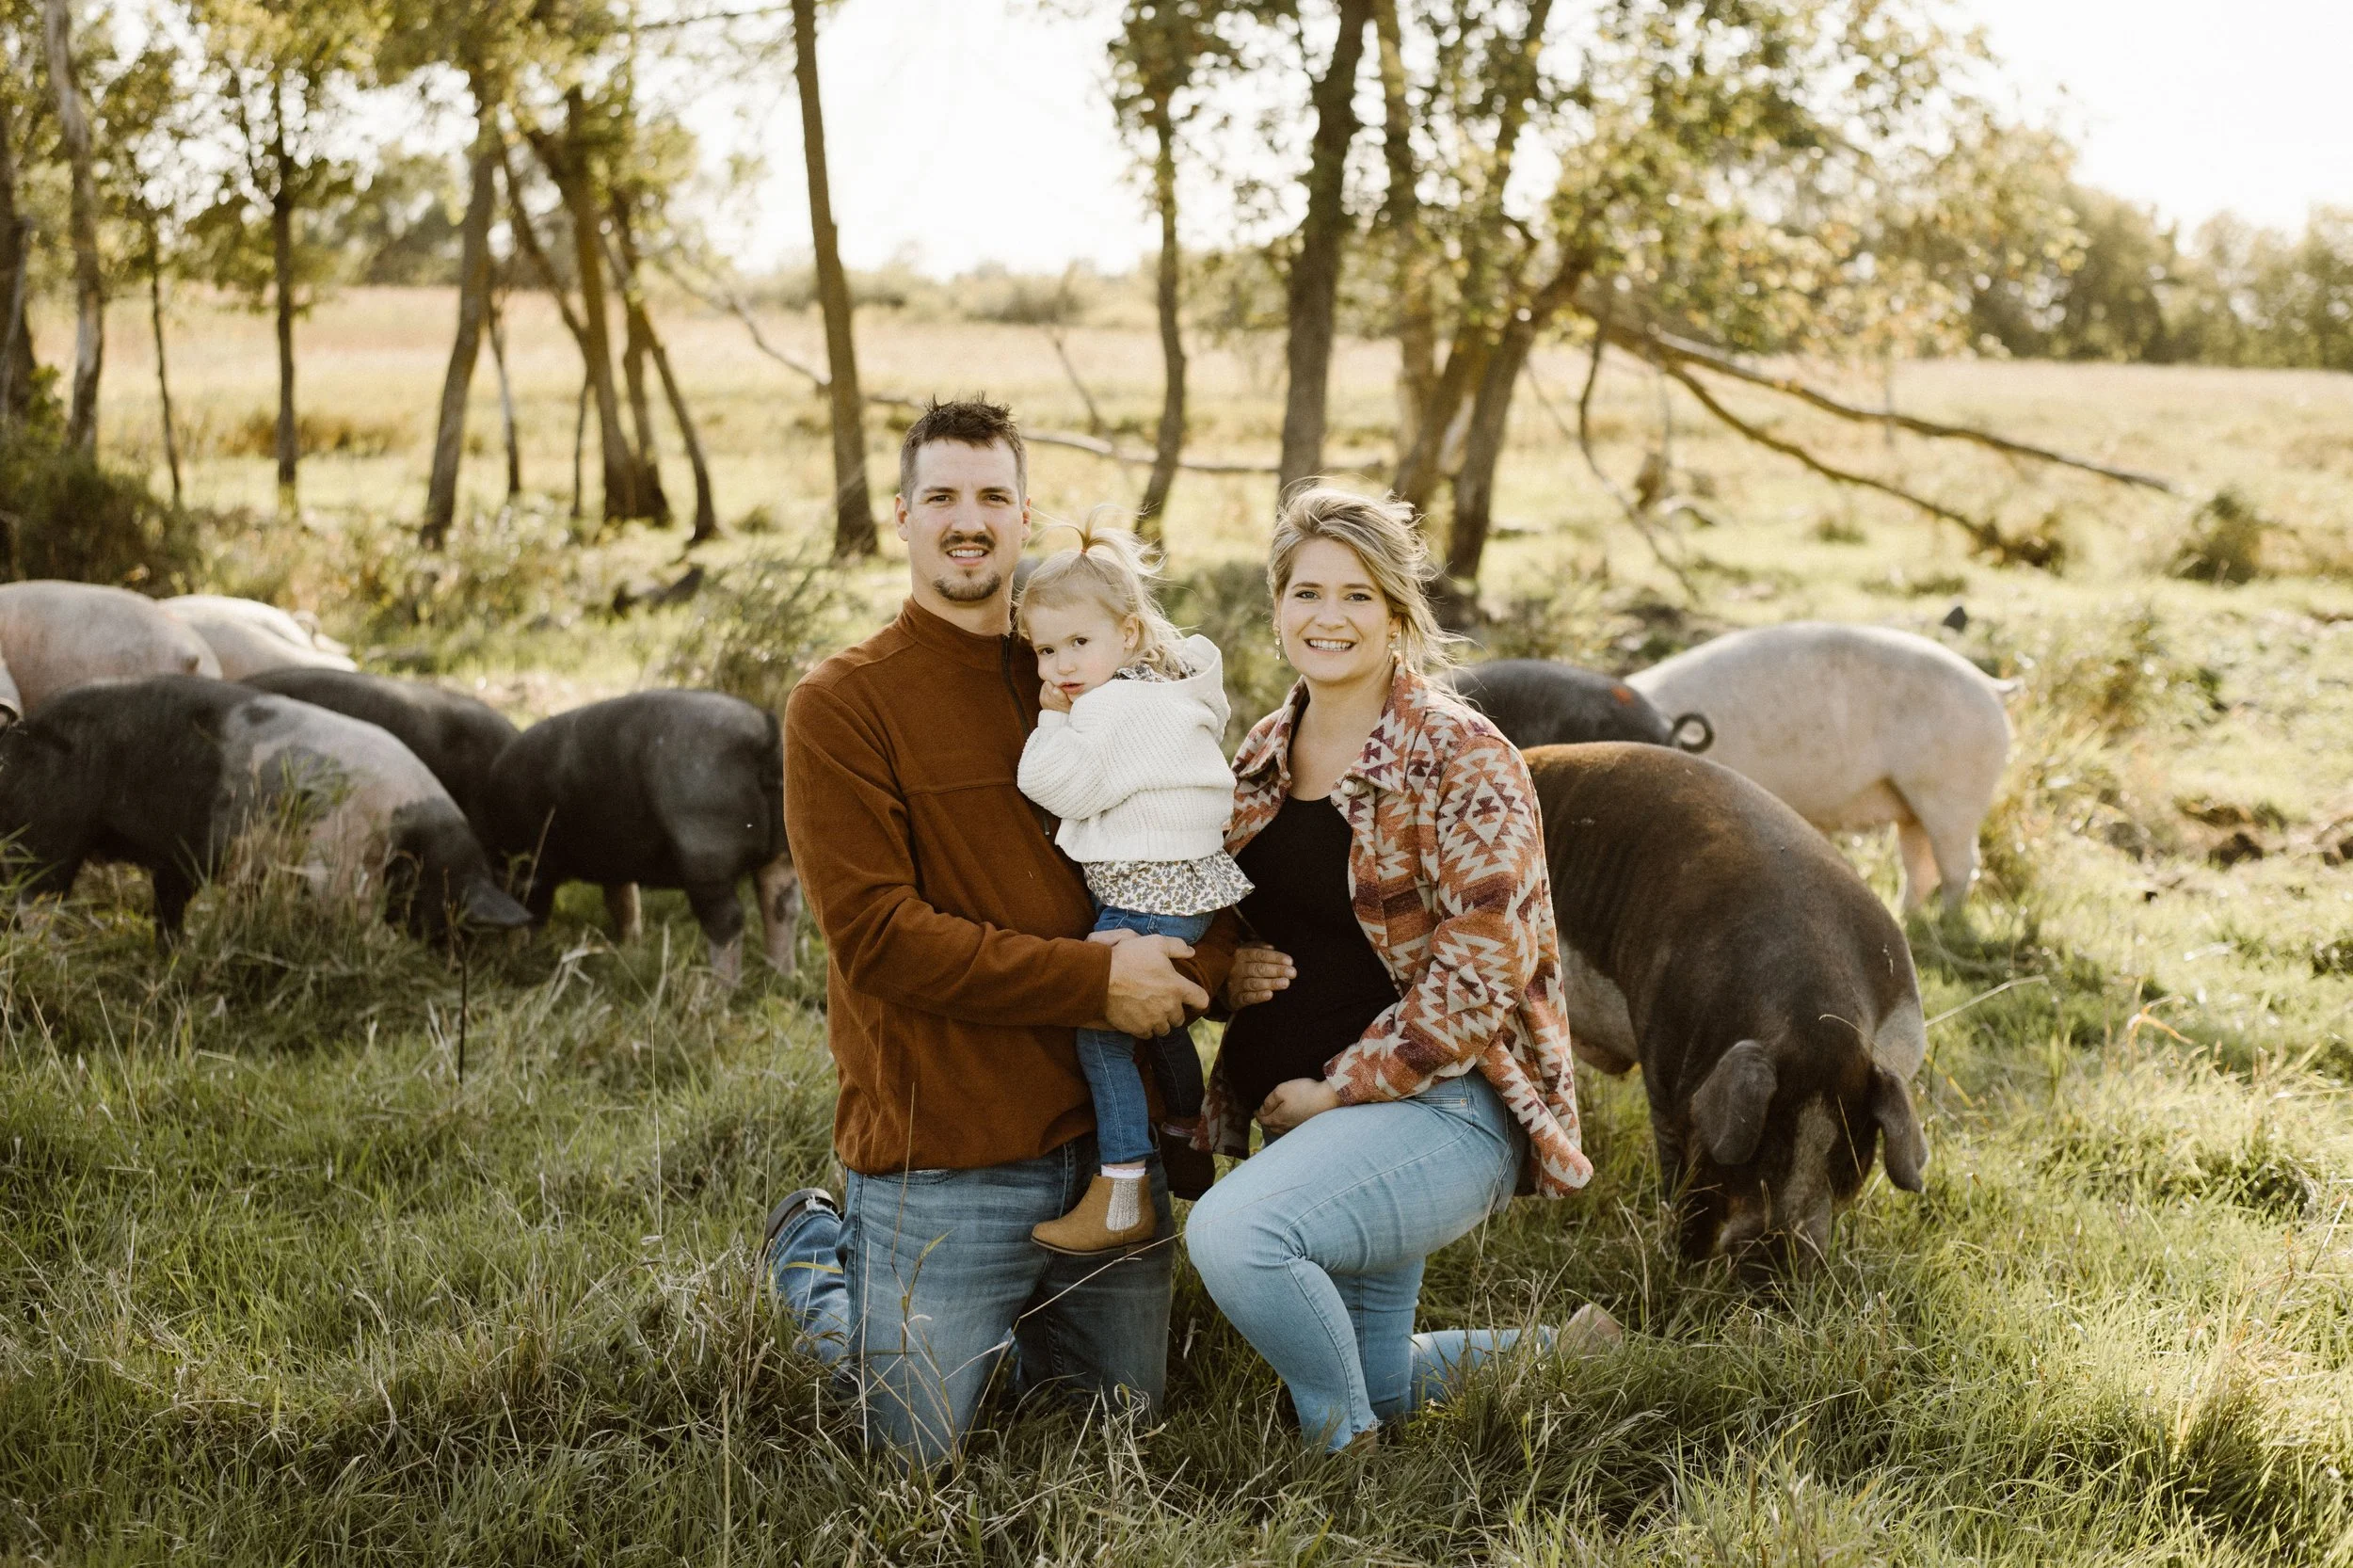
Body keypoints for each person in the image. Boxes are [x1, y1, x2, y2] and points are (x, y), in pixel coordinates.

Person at [761, 398, 1238, 1466]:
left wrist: (1201, 964)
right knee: (910, 1459)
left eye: (991, 496)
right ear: (902, 517)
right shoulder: (842, 703)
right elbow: (877, 937)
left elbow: (1186, 845)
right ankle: (816, 1267)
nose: (965, 519)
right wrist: (1091, 984)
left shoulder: (1091, 666)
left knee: (1111, 1443)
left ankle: (993, 1338)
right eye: (941, 496)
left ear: (1025, 519)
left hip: (1104, 1155)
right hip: (944, 1154)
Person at [1183, 486, 1616, 1453]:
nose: (1326, 618)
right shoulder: (1262, 747)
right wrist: (1227, 970)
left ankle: (1346, 1455)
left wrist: (1337, 1092)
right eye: (1305, 592)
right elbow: (1241, 910)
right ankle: (1561, 1346)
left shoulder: (1461, 755)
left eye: (1356, 596)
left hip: (1437, 1112)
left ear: (1397, 614)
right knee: (1379, 1369)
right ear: (1277, 605)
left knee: (1232, 1235)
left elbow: (1478, 971)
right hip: (1316, 1122)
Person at [1015, 521, 1251, 1254]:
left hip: (1147, 889)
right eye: (1046, 651)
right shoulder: (1167, 689)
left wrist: (1052, 720)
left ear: (1127, 631)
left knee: (1101, 1030)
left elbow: (1056, 785)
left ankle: (1122, 1185)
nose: (1060, 667)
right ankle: (1185, 1126)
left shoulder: (1108, 707)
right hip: (1190, 886)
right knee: (1162, 1017)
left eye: (1078, 645)